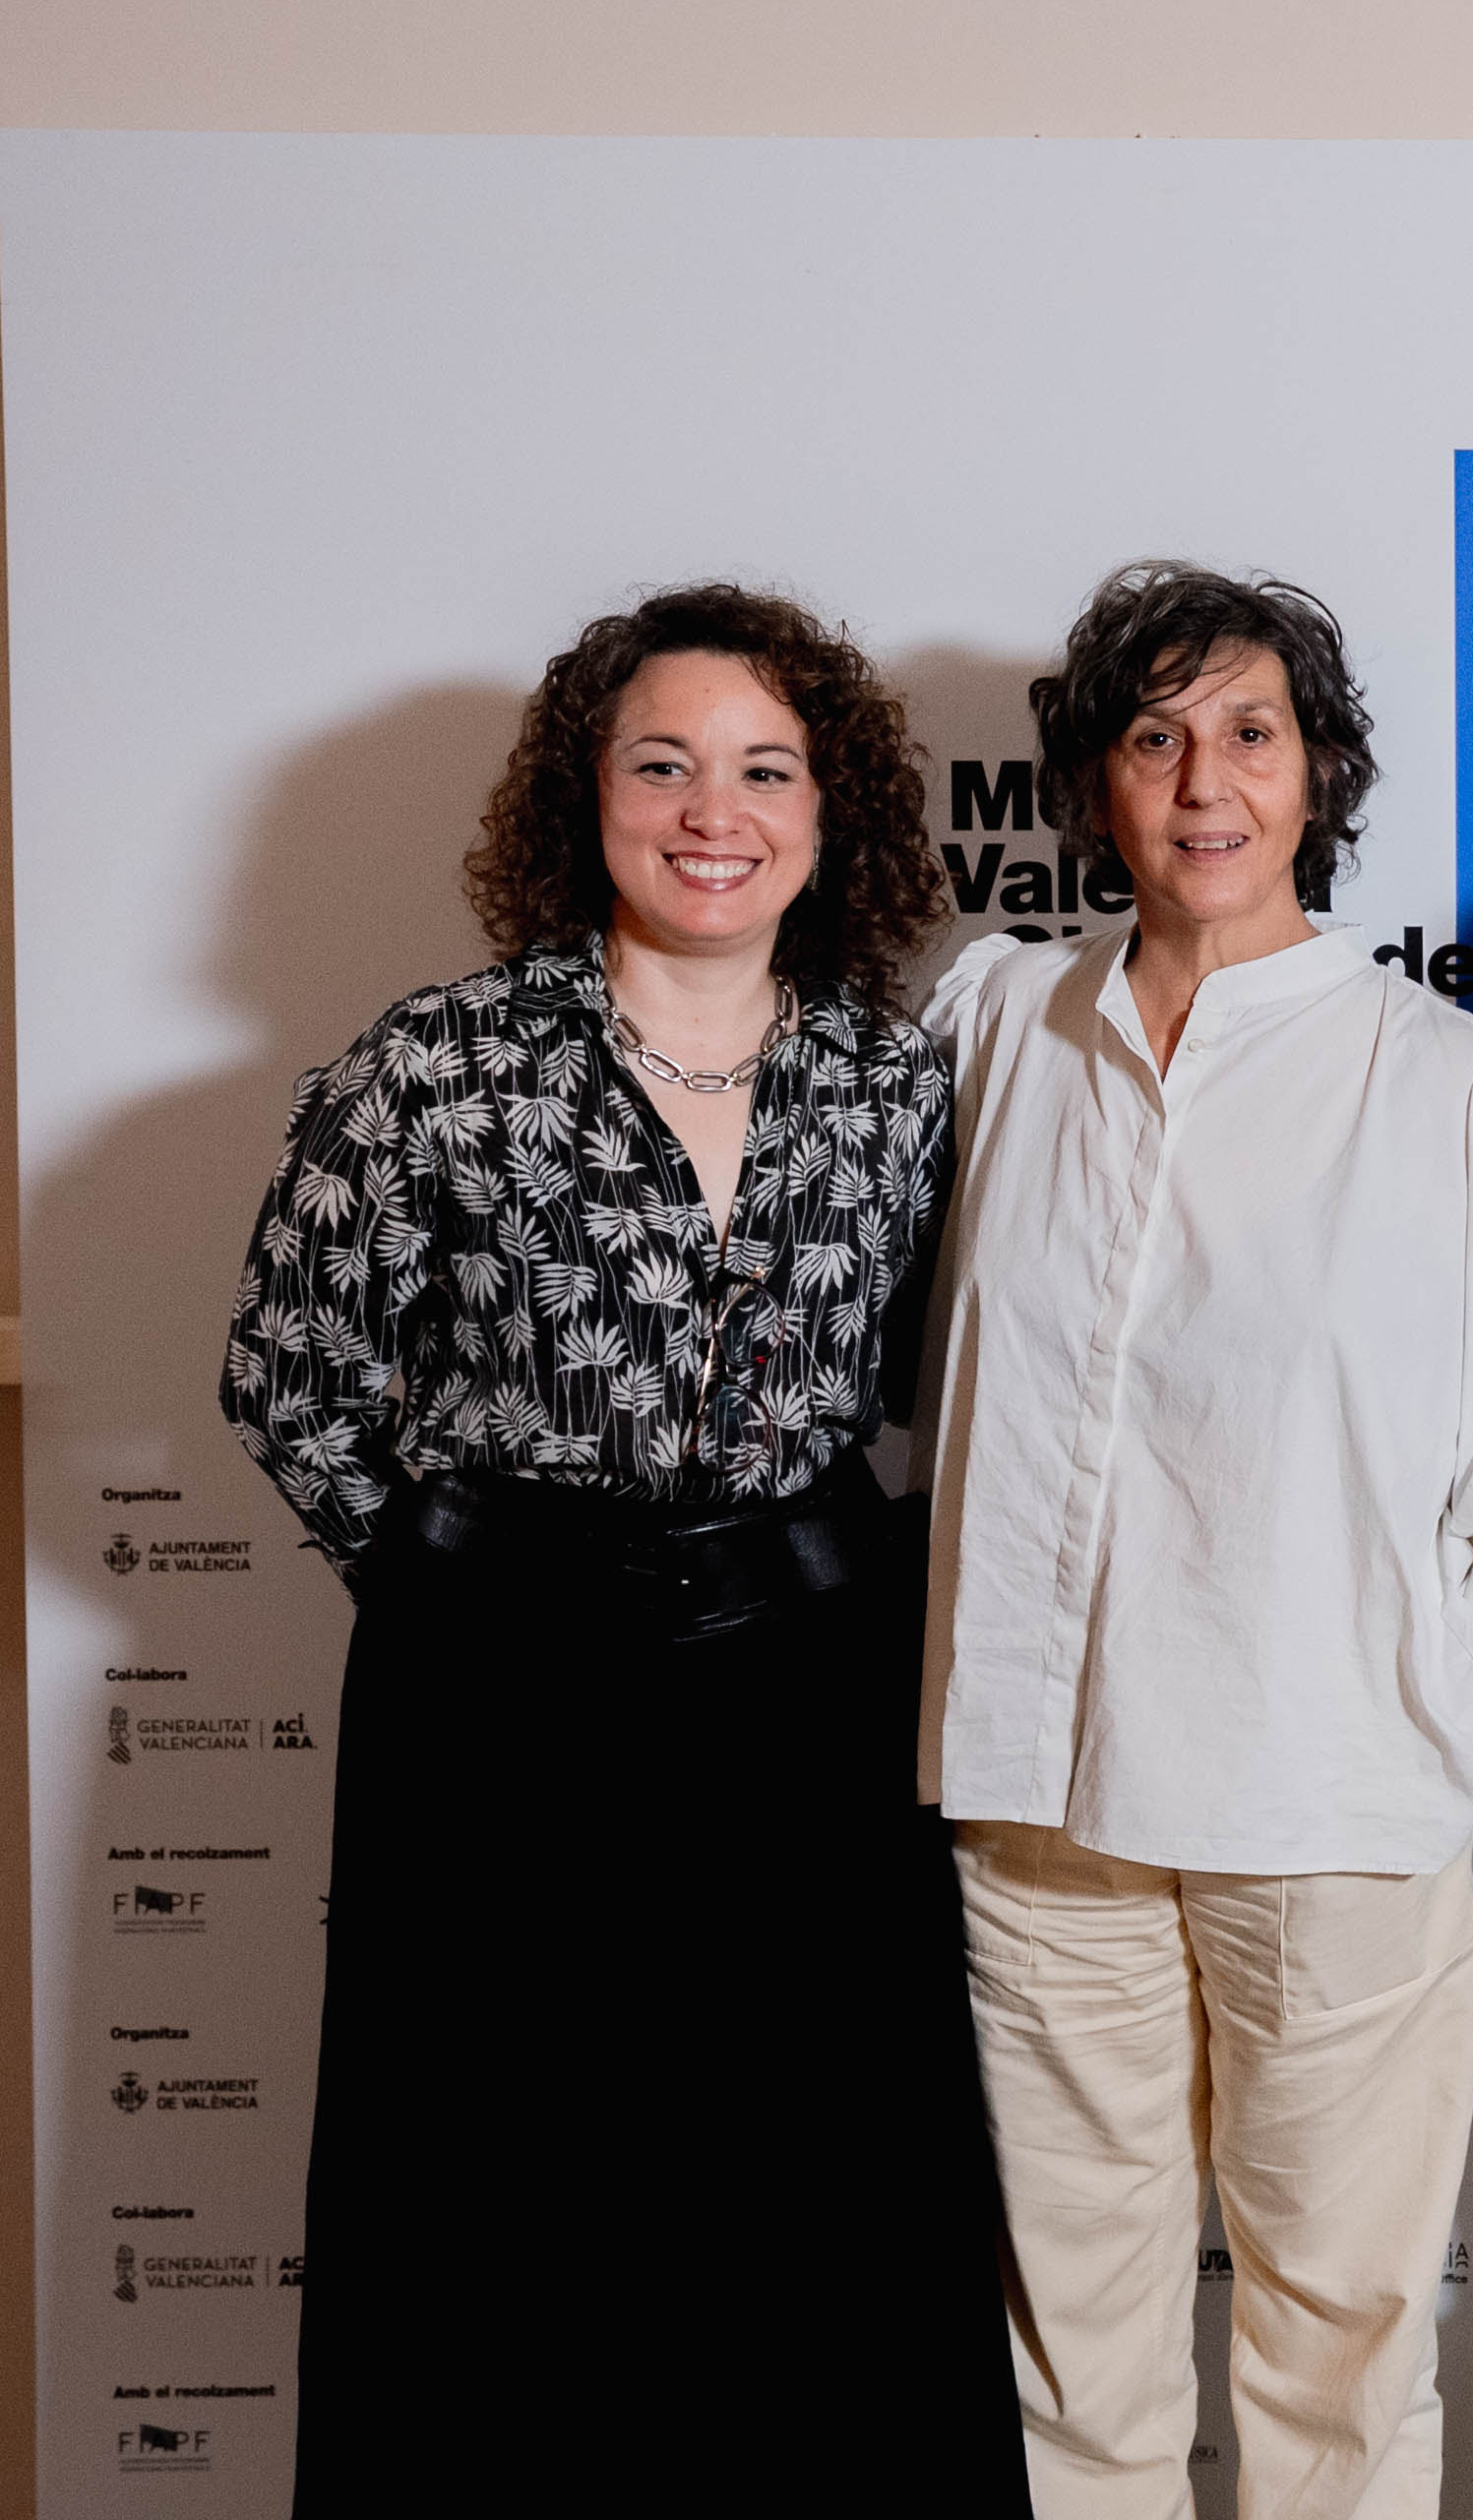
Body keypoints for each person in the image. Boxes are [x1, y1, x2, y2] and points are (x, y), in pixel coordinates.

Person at [222, 583, 1022, 2507]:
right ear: (585, 797)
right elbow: (288, 1378)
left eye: (764, 770)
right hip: (499, 1710)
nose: (710, 812)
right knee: (486, 2216)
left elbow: (956, 1381)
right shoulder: (438, 1066)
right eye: (661, 765)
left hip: (816, 1699)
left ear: (830, 811)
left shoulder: (897, 1085)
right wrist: (469, 1601)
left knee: (823, 2218)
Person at [913, 561, 1473, 2520]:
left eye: (1248, 732)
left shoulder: (1449, 1079)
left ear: (1318, 775)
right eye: (1153, 739)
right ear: (1095, 784)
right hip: (1039, 1809)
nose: (1202, 782)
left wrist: (1440, 1700)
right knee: (1072, 2362)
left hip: (1326, 1802)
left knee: (1337, 2354)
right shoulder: (995, 1022)